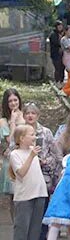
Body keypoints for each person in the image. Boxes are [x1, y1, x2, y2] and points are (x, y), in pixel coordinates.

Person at [7, 125, 48, 240]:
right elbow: (21, 173)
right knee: (21, 229)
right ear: (22, 138)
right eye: (31, 134)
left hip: (39, 193)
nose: (34, 137)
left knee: (34, 229)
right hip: (24, 196)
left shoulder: (34, 153)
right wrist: (31, 156)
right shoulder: (15, 154)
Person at [1, 89, 24, 218]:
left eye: (15, 100)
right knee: (13, 196)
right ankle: (16, 224)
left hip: (25, 158)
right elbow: (10, 141)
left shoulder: (26, 115)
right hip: (11, 161)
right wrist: (13, 122)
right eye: (10, 101)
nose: (13, 103)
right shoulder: (3, 121)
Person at [49, 21, 65, 85]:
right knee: (57, 68)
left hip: (63, 54)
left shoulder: (63, 33)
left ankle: (62, 81)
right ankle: (57, 81)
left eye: (61, 26)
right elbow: (56, 43)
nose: (60, 27)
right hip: (55, 54)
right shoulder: (53, 34)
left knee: (62, 68)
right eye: (59, 26)